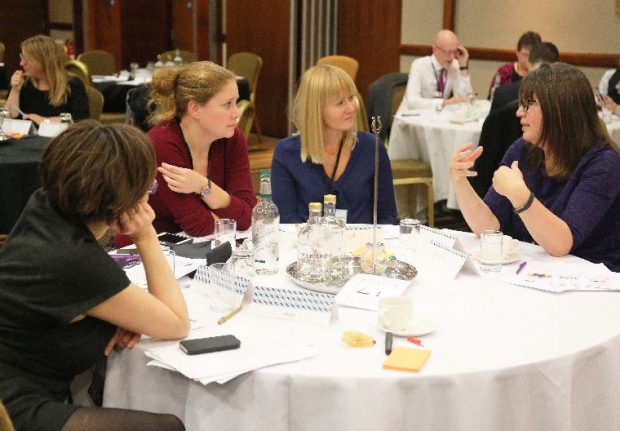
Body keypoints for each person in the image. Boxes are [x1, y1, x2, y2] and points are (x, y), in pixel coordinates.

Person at [0, 121, 189, 430]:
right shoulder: (75, 260)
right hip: (13, 406)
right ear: (124, 199)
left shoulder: (43, 206)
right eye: (147, 187)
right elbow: (176, 323)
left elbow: (62, 299)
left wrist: (112, 319)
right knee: (167, 427)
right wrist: (145, 235)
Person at [450, 63, 620, 271]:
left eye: (529, 104)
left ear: (559, 111)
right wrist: (460, 181)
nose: (519, 112)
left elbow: (561, 244)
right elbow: (488, 228)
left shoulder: (603, 164)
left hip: (591, 278)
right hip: (536, 270)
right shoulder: (523, 149)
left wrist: (520, 195)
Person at [271, 64, 397, 224]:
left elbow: (387, 216)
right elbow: (286, 220)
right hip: (307, 246)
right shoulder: (287, 152)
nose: (351, 108)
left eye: (351, 98)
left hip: (362, 246)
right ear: (316, 109)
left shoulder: (372, 147)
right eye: (340, 103)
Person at [146, 61, 256, 238]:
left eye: (236, 102)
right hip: (148, 252)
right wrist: (226, 211)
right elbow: (199, 226)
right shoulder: (161, 143)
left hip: (204, 249)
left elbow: (247, 218)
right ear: (195, 108)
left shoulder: (233, 139)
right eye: (227, 104)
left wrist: (203, 186)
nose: (236, 113)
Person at [6, 34, 89, 125]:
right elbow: (10, 118)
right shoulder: (24, 82)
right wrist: (15, 90)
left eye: (27, 59)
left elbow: (78, 119)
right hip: (26, 137)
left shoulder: (72, 84)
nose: (21, 63)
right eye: (22, 57)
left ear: (43, 60)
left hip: (60, 137)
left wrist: (44, 120)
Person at [396, 29, 473, 111]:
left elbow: (466, 99)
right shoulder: (419, 65)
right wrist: (444, 102)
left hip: (434, 118)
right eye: (448, 52)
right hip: (410, 117)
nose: (452, 57)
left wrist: (463, 67)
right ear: (435, 49)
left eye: (454, 52)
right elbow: (412, 102)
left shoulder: (454, 65)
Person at [490, 41, 559, 111]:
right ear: (556, 67)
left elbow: (492, 121)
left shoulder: (503, 94)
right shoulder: (563, 97)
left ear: (528, 63)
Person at [487, 31, 542, 99]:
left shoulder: (541, 75)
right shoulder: (504, 72)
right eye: (525, 55)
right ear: (517, 52)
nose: (528, 60)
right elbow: (492, 98)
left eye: (533, 55)